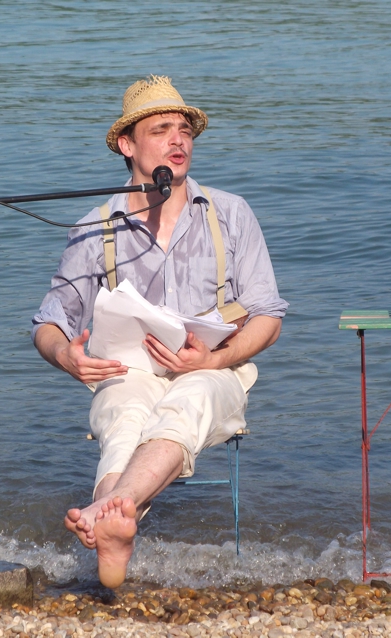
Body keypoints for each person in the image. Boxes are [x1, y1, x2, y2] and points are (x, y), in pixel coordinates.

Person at [31, 75, 287, 588]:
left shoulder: (231, 214)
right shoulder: (94, 227)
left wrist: (214, 359)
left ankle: (106, 511)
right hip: (129, 371)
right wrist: (67, 356)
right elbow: (49, 322)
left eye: (185, 130)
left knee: (189, 400)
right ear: (127, 145)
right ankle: (115, 525)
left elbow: (269, 317)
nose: (179, 140)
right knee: (123, 414)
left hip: (214, 370)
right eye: (161, 130)